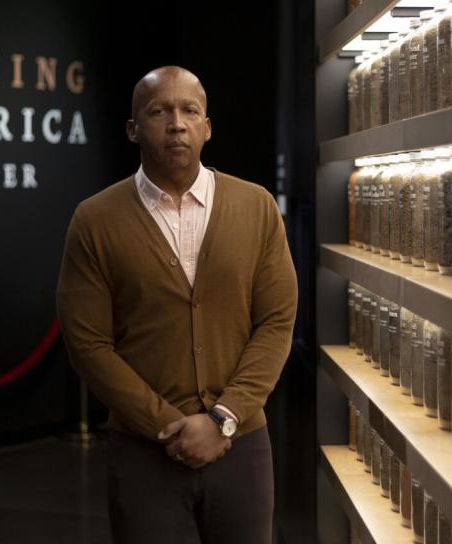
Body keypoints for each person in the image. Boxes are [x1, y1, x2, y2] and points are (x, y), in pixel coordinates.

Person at [57, 66, 298, 543]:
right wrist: (170, 425)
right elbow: (88, 344)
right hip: (144, 453)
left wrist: (223, 419)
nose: (176, 123)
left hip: (242, 447)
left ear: (208, 126)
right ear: (132, 129)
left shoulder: (257, 207)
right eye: (159, 111)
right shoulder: (95, 220)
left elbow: (275, 322)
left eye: (190, 110)